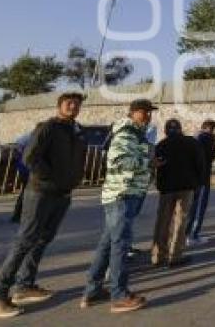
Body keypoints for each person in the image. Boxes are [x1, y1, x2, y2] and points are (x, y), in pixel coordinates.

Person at [0, 92, 86, 319]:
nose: (73, 106)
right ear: (59, 106)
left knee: (43, 239)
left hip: (62, 194)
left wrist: (73, 180)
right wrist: (50, 178)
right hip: (41, 193)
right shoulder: (47, 127)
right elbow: (30, 157)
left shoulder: (76, 132)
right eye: (69, 103)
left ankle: (24, 285)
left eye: (77, 104)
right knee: (25, 241)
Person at [81, 98, 156, 313]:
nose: (148, 116)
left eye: (149, 112)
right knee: (120, 244)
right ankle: (119, 295)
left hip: (126, 193)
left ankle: (92, 289)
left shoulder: (136, 134)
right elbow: (119, 161)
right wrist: (148, 162)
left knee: (108, 243)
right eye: (143, 112)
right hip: (122, 194)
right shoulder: (125, 133)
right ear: (132, 113)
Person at [151, 119, 204, 267]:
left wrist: (159, 184)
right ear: (181, 129)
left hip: (167, 188)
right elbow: (200, 164)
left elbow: (157, 166)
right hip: (186, 187)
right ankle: (175, 255)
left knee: (163, 221)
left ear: (166, 131)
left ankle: (158, 255)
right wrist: (198, 183)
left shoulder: (161, 145)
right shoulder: (192, 143)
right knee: (180, 221)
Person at [186, 119, 215, 246]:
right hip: (203, 177)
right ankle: (193, 234)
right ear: (209, 127)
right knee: (200, 206)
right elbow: (213, 154)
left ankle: (187, 233)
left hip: (194, 177)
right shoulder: (207, 138)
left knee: (192, 206)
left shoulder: (194, 137)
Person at [10, 132, 33, 223]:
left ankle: (18, 215)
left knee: (25, 193)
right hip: (29, 170)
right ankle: (20, 215)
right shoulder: (33, 140)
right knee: (27, 193)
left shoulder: (26, 138)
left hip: (23, 169)